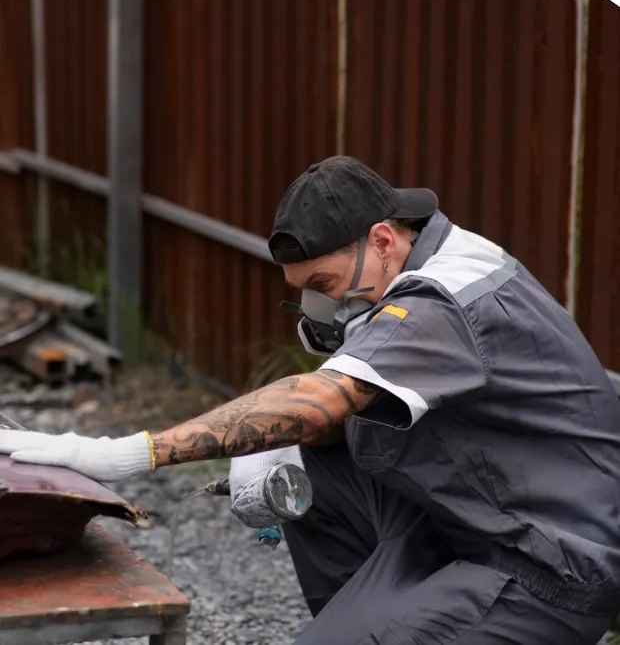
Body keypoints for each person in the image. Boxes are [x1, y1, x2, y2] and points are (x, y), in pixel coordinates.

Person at [1, 155, 620, 644]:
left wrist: (118, 455)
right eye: (303, 291)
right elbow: (344, 416)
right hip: (477, 517)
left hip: (548, 565)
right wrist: (281, 440)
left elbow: (323, 396)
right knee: (307, 463)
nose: (317, 306)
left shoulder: (439, 303)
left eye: (322, 286)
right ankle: (378, 623)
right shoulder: (437, 250)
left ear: (381, 239)